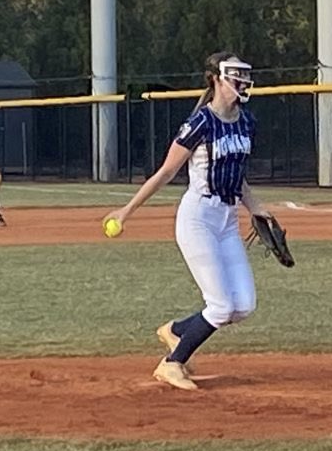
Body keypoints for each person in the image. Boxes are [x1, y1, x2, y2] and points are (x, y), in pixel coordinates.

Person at [104, 51, 270, 391]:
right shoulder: (200, 123)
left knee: (243, 306)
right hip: (198, 218)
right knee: (221, 306)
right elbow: (166, 172)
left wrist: (257, 209)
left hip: (227, 219)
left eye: (243, 76)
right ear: (216, 79)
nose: (242, 82)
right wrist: (126, 211)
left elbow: (238, 176)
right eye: (234, 76)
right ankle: (172, 363)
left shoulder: (246, 121)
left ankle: (176, 330)